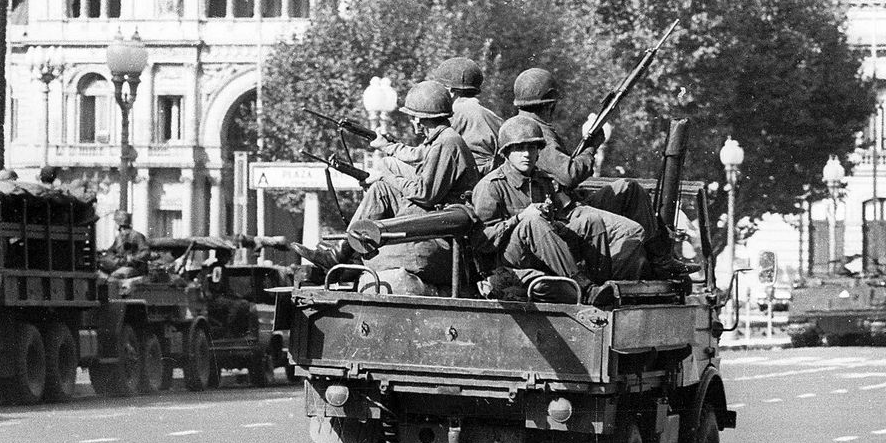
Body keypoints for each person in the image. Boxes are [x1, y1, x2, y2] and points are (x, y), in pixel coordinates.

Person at [511, 67, 693, 278]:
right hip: (562, 215)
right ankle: (600, 279)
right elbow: (569, 174)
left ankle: (661, 259)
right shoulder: (533, 132)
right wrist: (592, 146)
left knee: (628, 189)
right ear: (550, 105)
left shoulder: (530, 126)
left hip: (569, 206)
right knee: (631, 231)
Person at [292, 80, 479, 269]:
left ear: (421, 119)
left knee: (382, 186)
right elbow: (415, 157)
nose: (412, 121)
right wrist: (386, 149)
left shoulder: (445, 143)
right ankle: (347, 254)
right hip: (440, 214)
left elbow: (425, 194)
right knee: (382, 186)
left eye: (412, 116)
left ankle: (343, 254)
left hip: (442, 219)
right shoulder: (442, 139)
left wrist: (383, 176)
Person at [472, 117, 645, 304]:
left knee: (591, 220)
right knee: (532, 222)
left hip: (541, 251)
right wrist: (520, 218)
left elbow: (558, 218)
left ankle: (602, 286)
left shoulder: (542, 181)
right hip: (508, 260)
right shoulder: (491, 186)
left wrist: (557, 225)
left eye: (532, 148)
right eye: (519, 148)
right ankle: (585, 289)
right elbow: (481, 241)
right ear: (506, 152)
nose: (527, 154)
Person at [103, 209, 151, 279]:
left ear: (119, 224)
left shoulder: (136, 236)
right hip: (122, 266)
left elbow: (146, 252)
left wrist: (133, 258)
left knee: (115, 276)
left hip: (135, 268)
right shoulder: (119, 237)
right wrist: (106, 257)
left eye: (116, 222)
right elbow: (112, 251)